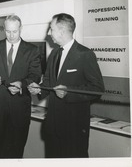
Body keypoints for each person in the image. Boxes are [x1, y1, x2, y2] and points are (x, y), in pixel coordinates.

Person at [28, 13, 104, 158]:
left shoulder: (84, 54)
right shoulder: (54, 53)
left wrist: (69, 92)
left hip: (74, 126)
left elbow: (97, 89)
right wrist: (39, 89)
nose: (48, 34)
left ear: (62, 31)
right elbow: (50, 82)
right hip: (53, 125)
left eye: (51, 29)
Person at [0, 14, 42, 158]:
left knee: (16, 148)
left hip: (19, 106)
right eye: (8, 31)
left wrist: (22, 84)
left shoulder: (32, 50)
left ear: (21, 29)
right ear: (3, 29)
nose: (11, 35)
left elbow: (35, 74)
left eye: (15, 31)